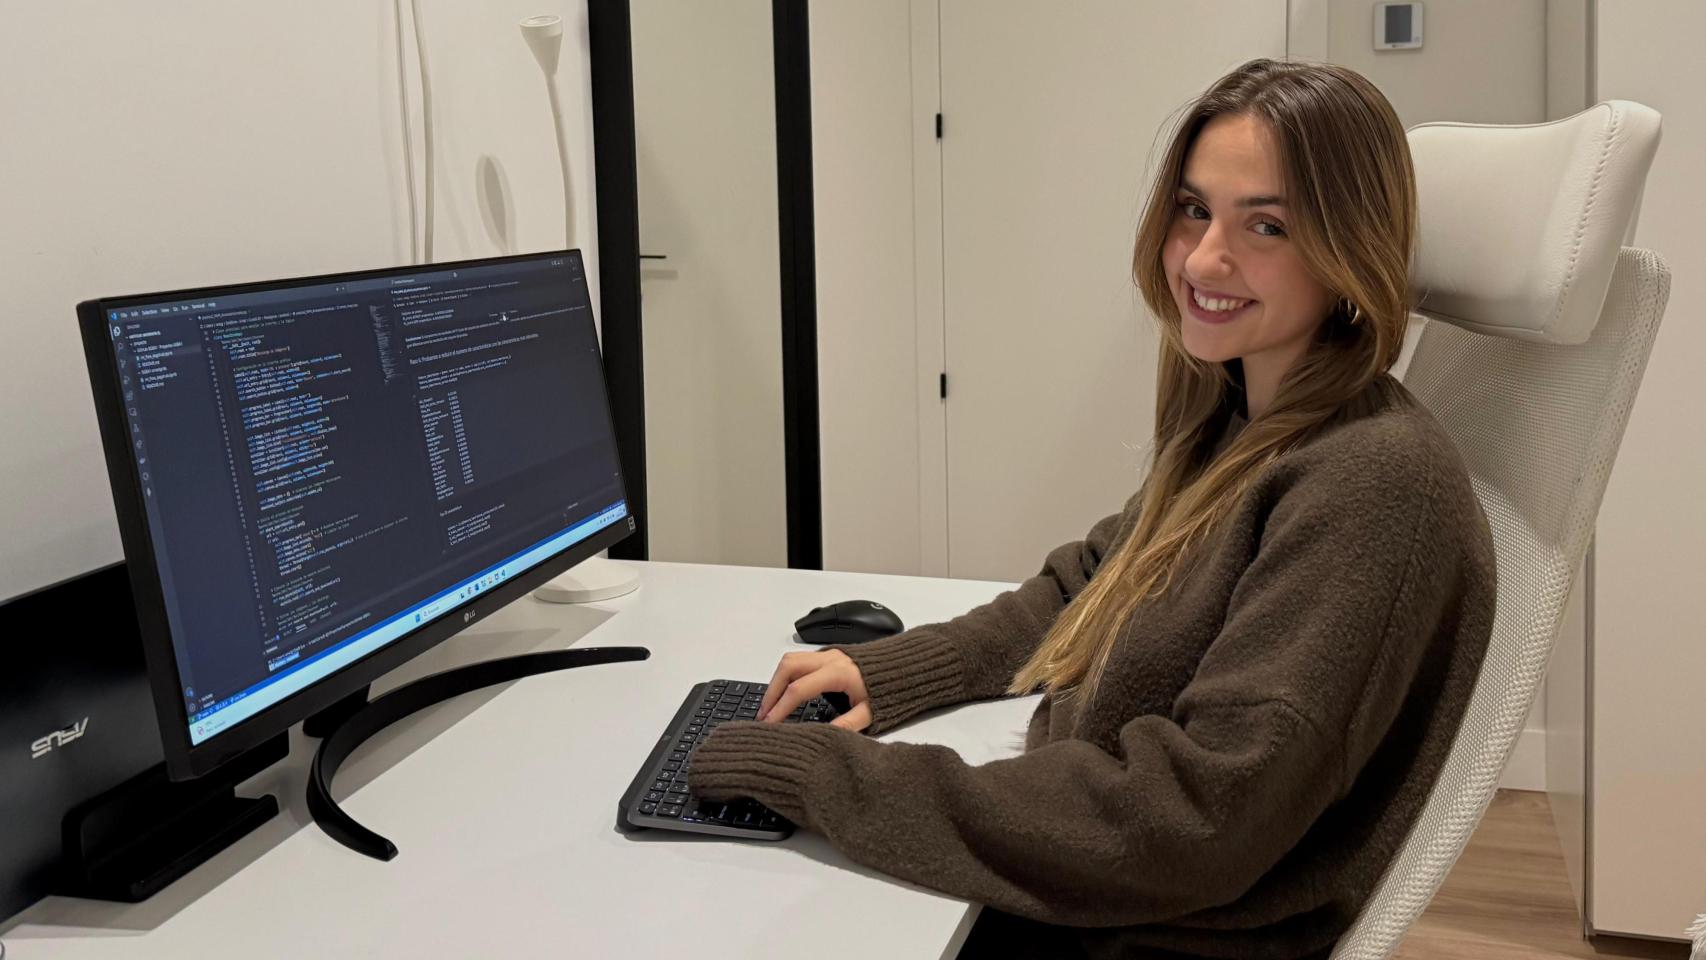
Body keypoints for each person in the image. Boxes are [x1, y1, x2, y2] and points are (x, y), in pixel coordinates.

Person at [689, 57, 1497, 960]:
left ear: (1351, 249)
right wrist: (896, 671)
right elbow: (1093, 581)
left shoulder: (1373, 480)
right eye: (1193, 209)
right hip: (1084, 891)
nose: (1204, 258)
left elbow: (1191, 821)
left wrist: (827, 775)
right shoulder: (1243, 412)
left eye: (1265, 225)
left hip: (1142, 935)